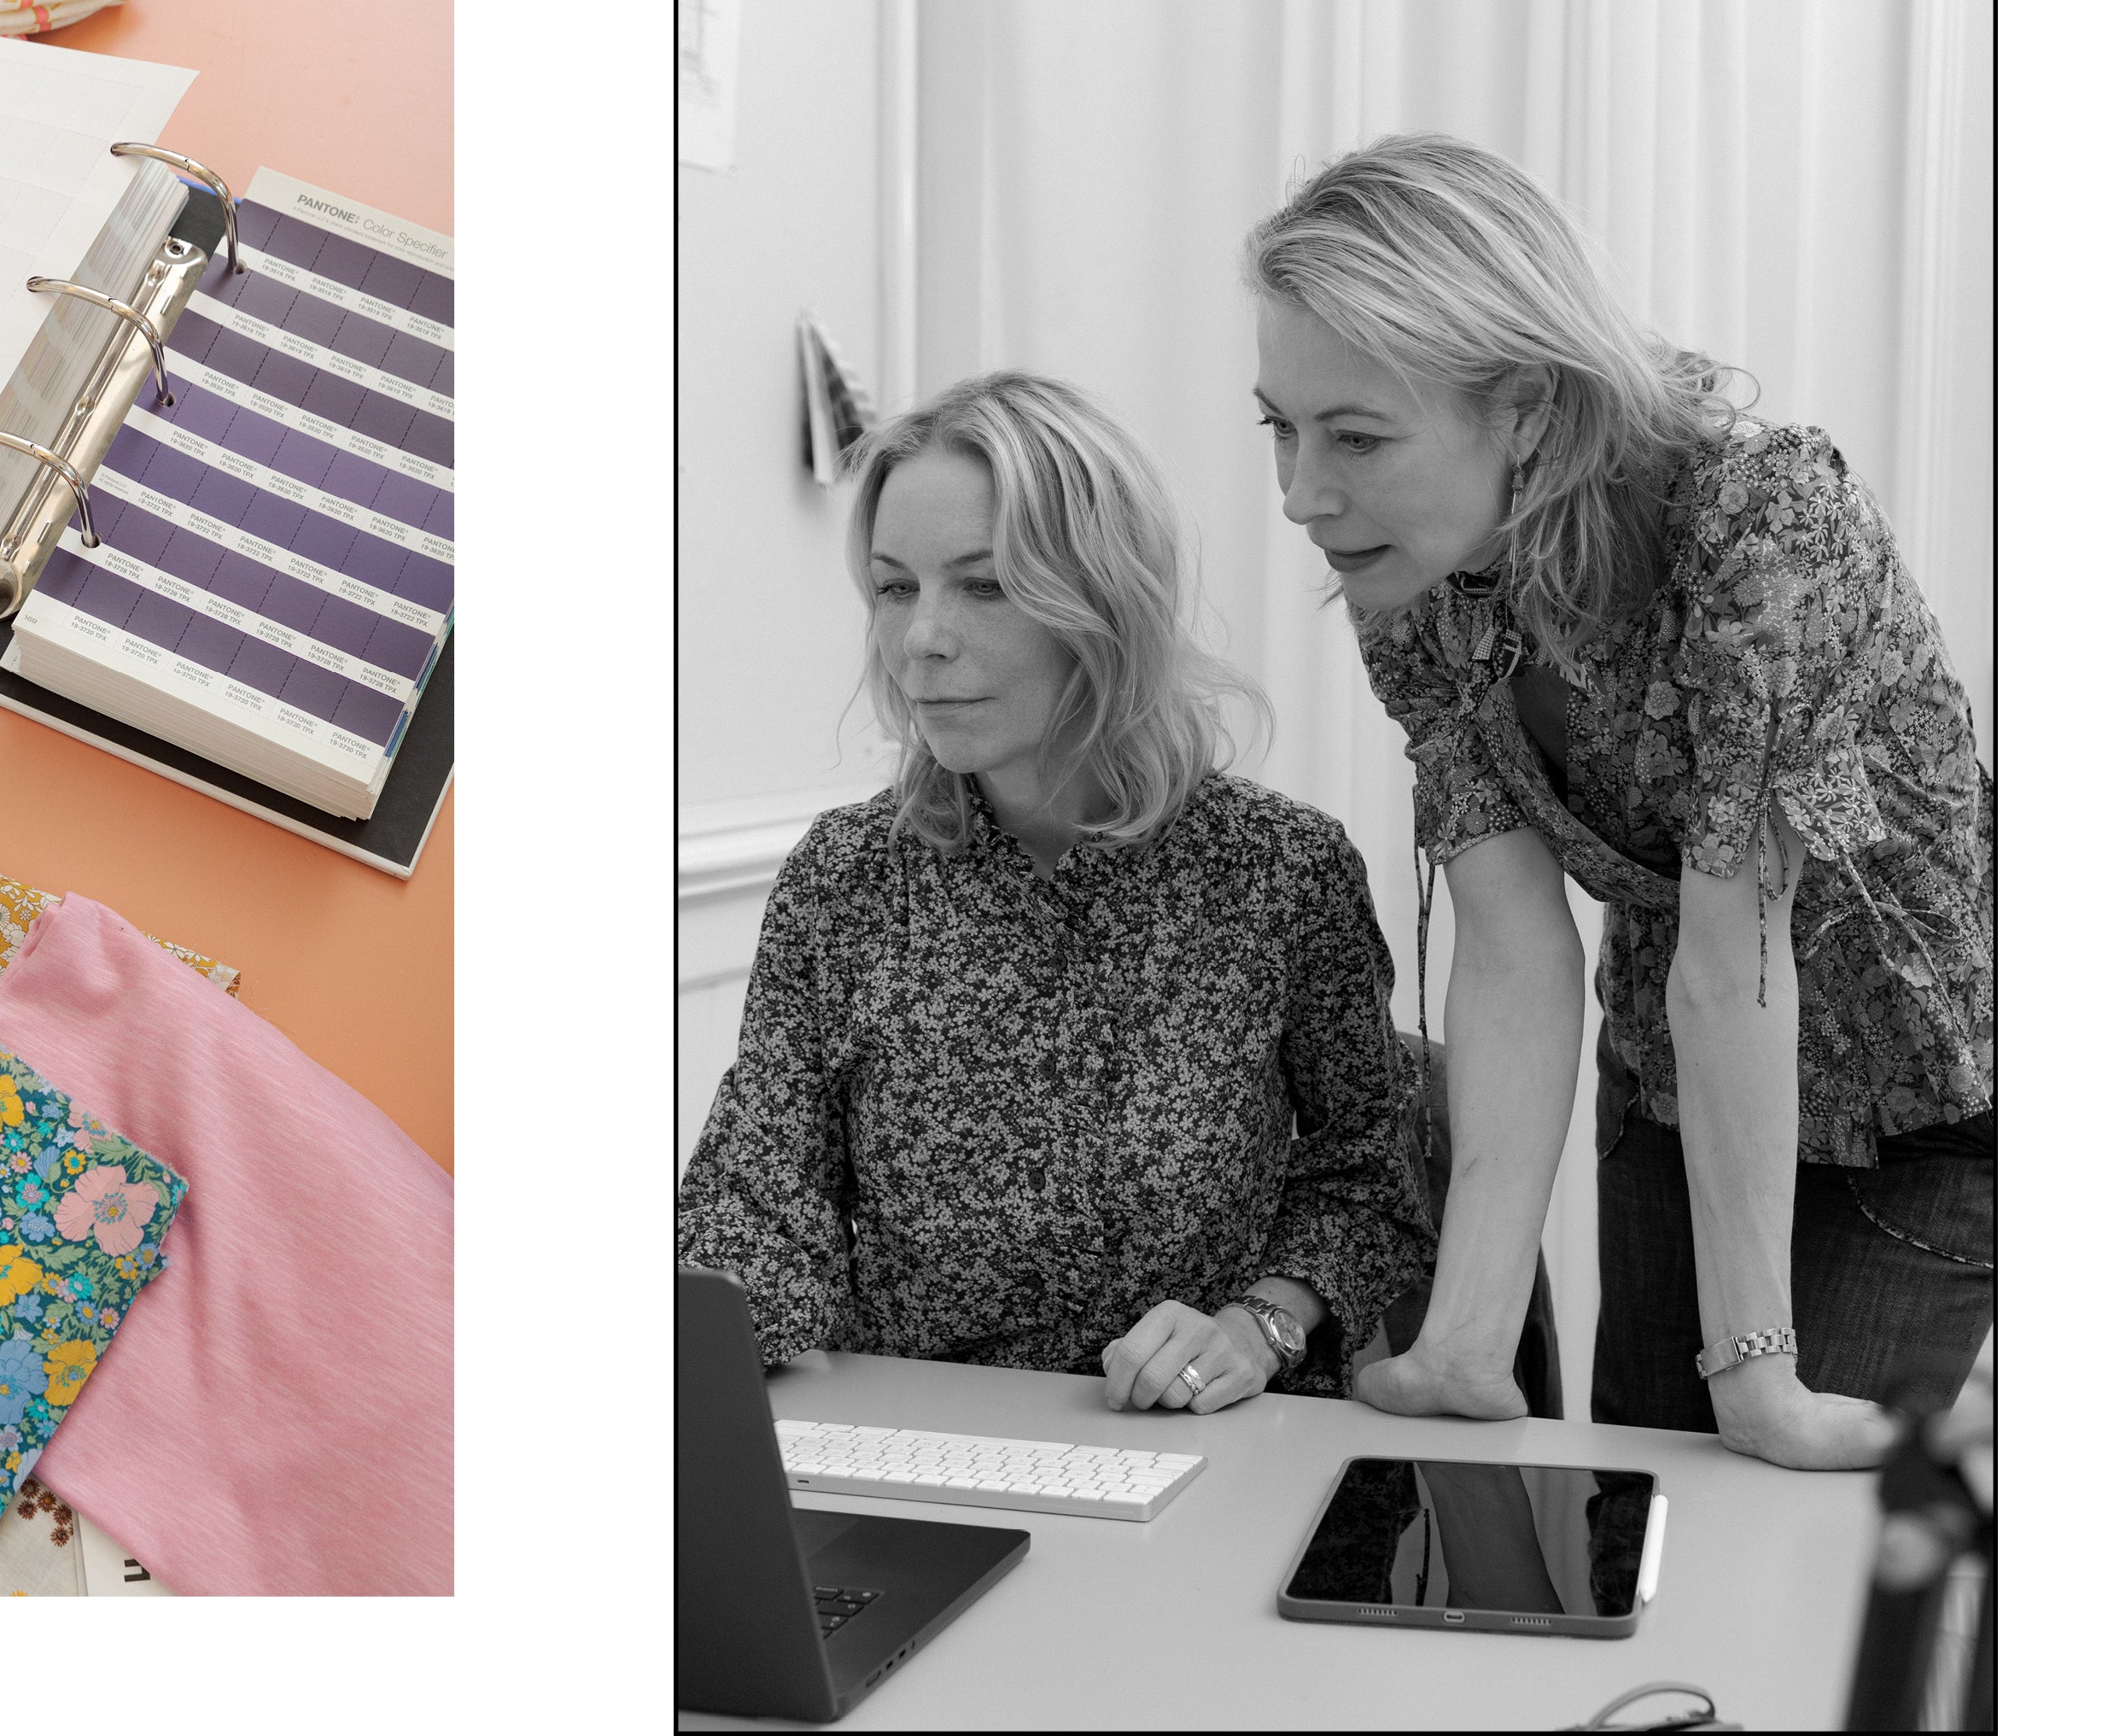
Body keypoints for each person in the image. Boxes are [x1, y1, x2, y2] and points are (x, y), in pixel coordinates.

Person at [1242, 134, 1994, 1470]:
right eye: (1281, 428)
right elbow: (1518, 947)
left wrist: (1756, 1378)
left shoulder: (1758, 520)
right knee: (1650, 1532)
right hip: (1677, 1083)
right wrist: (1465, 1337)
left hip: (1914, 1097)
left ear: (1525, 405)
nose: (1303, 495)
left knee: (1784, 1563)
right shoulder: (1420, 586)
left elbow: (1733, 956)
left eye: (1355, 436)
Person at [679, 371, 1438, 1412]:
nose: (920, 641)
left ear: (1100, 604)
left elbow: (1370, 1181)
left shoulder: (1279, 873)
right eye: (895, 586)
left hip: (1207, 1445)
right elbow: (755, 1206)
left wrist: (1256, 1326)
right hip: (925, 1451)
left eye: (982, 585)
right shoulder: (842, 882)